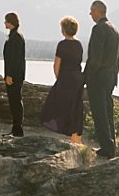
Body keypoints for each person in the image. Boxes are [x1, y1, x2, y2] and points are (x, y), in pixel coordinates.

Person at [84, 0, 119, 158]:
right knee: (107, 112)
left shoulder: (98, 28)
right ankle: (111, 146)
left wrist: (85, 77)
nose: (90, 14)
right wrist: (114, 75)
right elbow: (118, 56)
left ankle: (107, 149)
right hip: (110, 76)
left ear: (97, 11)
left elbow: (95, 58)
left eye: (91, 11)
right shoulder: (114, 29)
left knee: (99, 113)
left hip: (98, 77)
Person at [40, 16, 84, 144]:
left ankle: (64, 131)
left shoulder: (62, 44)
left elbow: (56, 65)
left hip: (65, 78)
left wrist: (59, 79)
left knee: (54, 105)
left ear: (64, 30)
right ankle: (76, 139)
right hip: (77, 79)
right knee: (75, 108)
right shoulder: (79, 44)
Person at [2, 11, 26, 138]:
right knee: (14, 100)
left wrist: (10, 75)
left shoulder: (16, 37)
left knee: (15, 100)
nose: (4, 23)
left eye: (6, 21)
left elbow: (15, 58)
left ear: (10, 22)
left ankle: (18, 130)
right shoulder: (13, 35)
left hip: (15, 75)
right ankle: (16, 128)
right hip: (14, 73)